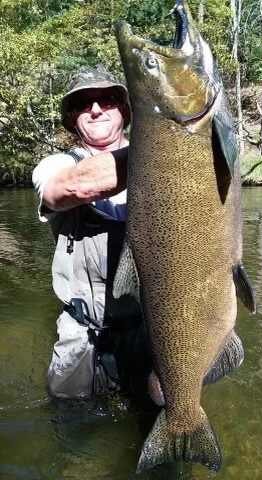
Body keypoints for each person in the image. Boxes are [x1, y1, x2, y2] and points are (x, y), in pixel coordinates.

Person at [32, 65, 151, 400]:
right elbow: (70, 188)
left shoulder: (170, 178)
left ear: (125, 110)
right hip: (81, 328)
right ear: (72, 118)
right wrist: (166, 150)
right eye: (84, 104)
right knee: (70, 426)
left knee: (160, 408)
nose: (96, 109)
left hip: (150, 322)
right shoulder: (54, 166)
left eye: (108, 99)